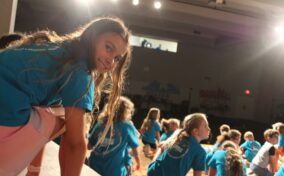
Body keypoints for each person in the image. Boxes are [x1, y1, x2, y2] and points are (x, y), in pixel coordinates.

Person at [0, 17, 132, 176]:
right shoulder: (79, 71)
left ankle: (32, 171)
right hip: (5, 126)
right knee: (67, 121)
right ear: (93, 37)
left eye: (117, 58)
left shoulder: (57, 49)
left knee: (54, 111)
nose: (111, 61)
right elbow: (74, 144)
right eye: (108, 47)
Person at [88, 96, 140, 176]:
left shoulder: (100, 124)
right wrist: (138, 162)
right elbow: (135, 150)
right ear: (126, 111)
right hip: (114, 170)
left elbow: (89, 146)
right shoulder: (127, 126)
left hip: (94, 166)